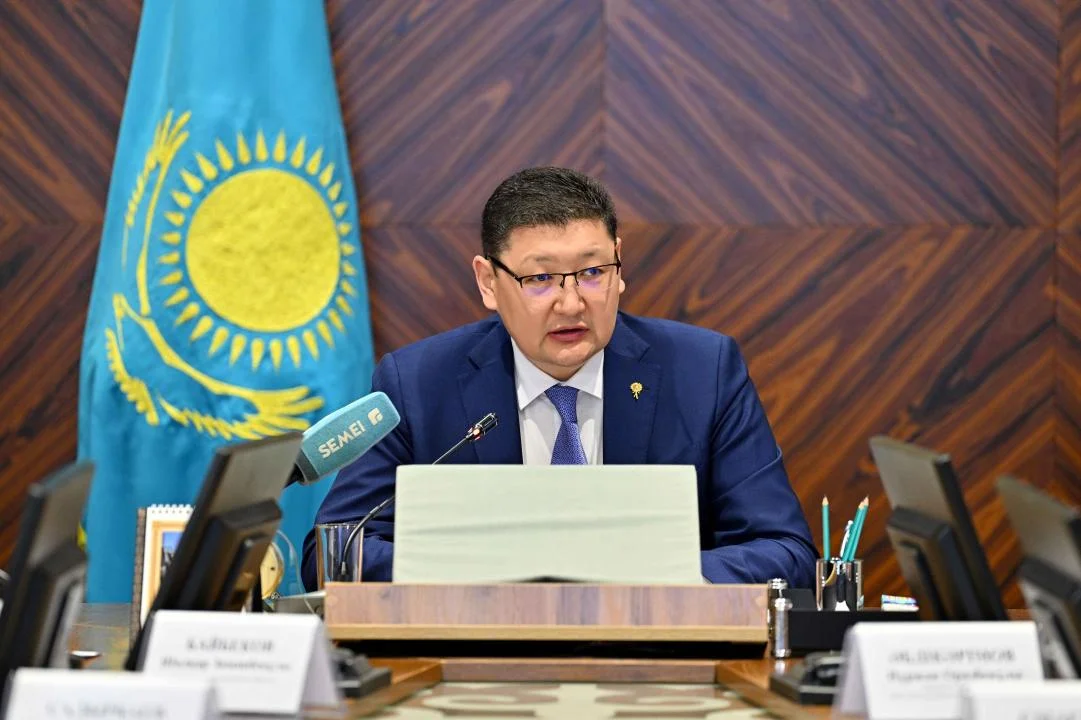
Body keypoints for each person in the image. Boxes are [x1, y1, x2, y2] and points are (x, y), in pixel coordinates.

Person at [301, 167, 817, 589]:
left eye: (592, 273)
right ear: (488, 281)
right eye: (540, 278)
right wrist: (484, 576)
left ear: (619, 267)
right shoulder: (418, 383)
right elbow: (333, 552)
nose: (571, 304)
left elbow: (785, 549)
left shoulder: (703, 371)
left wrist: (659, 578)